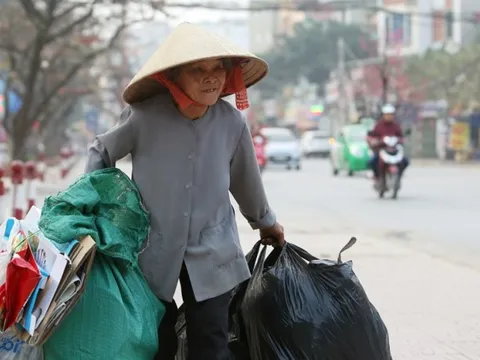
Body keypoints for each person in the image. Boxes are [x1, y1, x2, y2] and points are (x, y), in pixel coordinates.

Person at [84, 23, 285, 360]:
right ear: (173, 77)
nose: (211, 77)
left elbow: (245, 179)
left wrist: (265, 222)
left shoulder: (231, 123)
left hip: (214, 248)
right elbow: (100, 152)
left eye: (217, 68)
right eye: (198, 70)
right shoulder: (143, 117)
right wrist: (98, 209)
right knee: (155, 342)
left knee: (211, 344)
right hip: (151, 248)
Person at [368, 104, 409, 185]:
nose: (389, 116)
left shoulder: (396, 126)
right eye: (387, 115)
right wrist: (374, 141)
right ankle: (377, 177)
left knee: (405, 161)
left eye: (390, 115)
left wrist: (402, 139)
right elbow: (372, 135)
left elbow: (400, 135)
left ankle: (399, 176)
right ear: (383, 115)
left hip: (394, 149)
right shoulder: (378, 126)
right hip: (381, 149)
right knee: (372, 162)